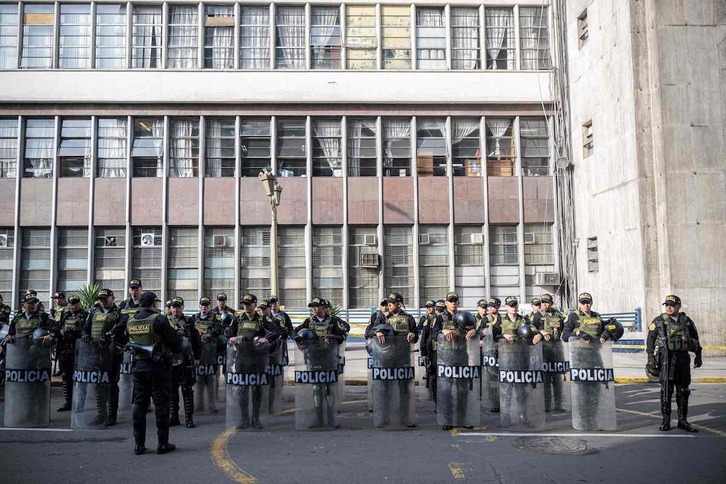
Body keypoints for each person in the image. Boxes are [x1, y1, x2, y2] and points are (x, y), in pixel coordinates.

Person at [120, 291, 182, 455]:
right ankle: (162, 444)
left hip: (139, 367)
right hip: (158, 367)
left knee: (139, 405)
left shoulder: (130, 321)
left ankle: (138, 445)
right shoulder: (159, 319)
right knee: (161, 404)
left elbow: (125, 340)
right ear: (153, 304)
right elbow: (174, 344)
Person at [646, 295, 702, 432]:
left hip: (683, 359)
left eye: (672, 305)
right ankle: (666, 421)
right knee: (666, 390)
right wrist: (651, 358)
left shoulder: (686, 321)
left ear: (678, 306)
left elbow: (695, 339)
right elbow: (651, 340)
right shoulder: (659, 321)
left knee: (683, 390)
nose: (668, 307)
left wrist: (698, 356)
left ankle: (683, 420)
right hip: (666, 359)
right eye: (666, 305)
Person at [226, 294, 281, 429]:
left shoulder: (262, 319)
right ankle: (244, 419)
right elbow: (228, 333)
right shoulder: (238, 319)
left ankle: (255, 419)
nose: (246, 306)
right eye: (244, 304)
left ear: (255, 305)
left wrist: (266, 338)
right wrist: (231, 337)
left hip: (258, 359)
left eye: (249, 304)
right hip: (242, 357)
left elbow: (276, 331)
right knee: (242, 389)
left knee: (257, 388)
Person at [366, 292, 418, 427]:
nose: (388, 305)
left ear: (399, 304)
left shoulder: (409, 318)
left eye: (391, 303)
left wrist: (413, 334)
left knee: (403, 388)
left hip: (403, 358)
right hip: (386, 358)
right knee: (385, 388)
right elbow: (369, 332)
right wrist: (376, 332)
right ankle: (384, 416)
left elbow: (416, 335)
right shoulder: (382, 317)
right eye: (387, 303)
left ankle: (404, 417)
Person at [295, 298, 347, 429]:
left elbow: (342, 335)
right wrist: (299, 340)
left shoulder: (333, 321)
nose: (314, 309)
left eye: (316, 306)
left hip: (329, 359)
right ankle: (318, 419)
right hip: (313, 358)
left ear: (323, 308)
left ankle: (331, 419)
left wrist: (332, 338)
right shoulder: (309, 321)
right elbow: (295, 332)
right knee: (316, 389)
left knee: (329, 389)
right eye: (312, 307)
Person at [432, 292, 477, 430]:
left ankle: (463, 419)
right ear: (446, 303)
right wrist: (442, 332)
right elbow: (433, 334)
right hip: (446, 358)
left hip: (461, 356)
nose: (453, 303)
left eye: (455, 301)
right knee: (447, 390)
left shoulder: (466, 316)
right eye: (450, 301)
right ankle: (448, 419)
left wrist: (475, 331)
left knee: (462, 390)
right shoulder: (440, 318)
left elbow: (475, 329)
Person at [81, 288, 122, 427]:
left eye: (106, 299)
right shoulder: (93, 312)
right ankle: (101, 414)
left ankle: (112, 415)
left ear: (112, 297)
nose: (103, 302)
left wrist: (111, 335)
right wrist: (85, 335)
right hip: (95, 352)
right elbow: (86, 328)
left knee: (111, 384)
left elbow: (121, 329)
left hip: (112, 354)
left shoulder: (119, 313)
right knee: (99, 384)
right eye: (101, 299)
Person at [167, 297, 201, 428]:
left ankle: (189, 418)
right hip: (171, 360)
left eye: (178, 307)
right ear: (170, 308)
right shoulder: (165, 321)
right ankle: (174, 417)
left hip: (186, 360)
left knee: (187, 389)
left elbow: (197, 340)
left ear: (182, 308)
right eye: (174, 307)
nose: (176, 309)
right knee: (172, 389)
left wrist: (197, 357)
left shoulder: (189, 321)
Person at [530, 293, 567, 412]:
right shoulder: (537, 315)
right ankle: (546, 406)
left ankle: (558, 404)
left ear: (551, 303)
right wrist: (541, 332)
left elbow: (564, 327)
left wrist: (560, 331)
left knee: (557, 379)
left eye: (546, 302)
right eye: (543, 302)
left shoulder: (557, 314)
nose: (544, 304)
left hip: (556, 349)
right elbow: (531, 328)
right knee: (545, 379)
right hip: (544, 350)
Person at [54, 295, 87, 412]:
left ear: (79, 303)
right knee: (66, 377)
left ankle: (80, 403)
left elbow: (86, 331)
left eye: (75, 303)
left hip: (79, 350)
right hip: (66, 350)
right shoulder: (65, 315)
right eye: (71, 303)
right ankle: (68, 402)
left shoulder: (85, 315)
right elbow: (58, 329)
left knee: (80, 378)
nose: (73, 305)